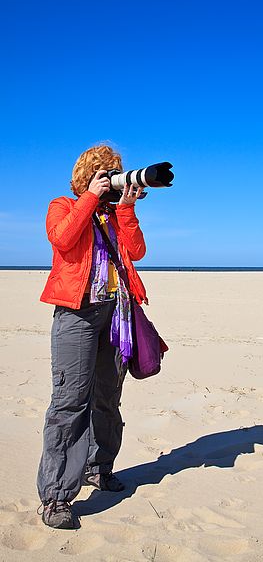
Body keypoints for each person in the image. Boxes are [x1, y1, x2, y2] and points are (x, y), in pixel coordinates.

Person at [37, 144, 149, 529]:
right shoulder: (64, 205)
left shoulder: (115, 215)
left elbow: (137, 251)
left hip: (116, 314)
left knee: (107, 399)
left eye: (115, 172)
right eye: (105, 172)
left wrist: (127, 208)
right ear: (88, 175)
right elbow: (63, 239)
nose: (111, 177)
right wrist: (90, 197)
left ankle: (99, 468)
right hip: (77, 314)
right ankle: (55, 497)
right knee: (70, 403)